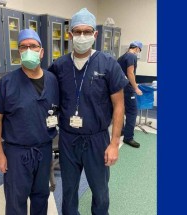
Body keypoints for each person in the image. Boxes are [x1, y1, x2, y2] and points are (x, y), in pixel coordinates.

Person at [47, 8, 129, 214]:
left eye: (87, 31)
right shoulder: (59, 66)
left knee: (100, 192)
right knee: (69, 191)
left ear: (95, 34)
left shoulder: (108, 64)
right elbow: (41, 86)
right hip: (68, 140)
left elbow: (119, 105)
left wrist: (114, 144)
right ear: (70, 35)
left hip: (98, 139)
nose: (81, 36)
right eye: (77, 31)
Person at [0, 29, 59, 215]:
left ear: (41, 52)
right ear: (19, 52)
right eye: (23, 46)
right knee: (15, 201)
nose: (29, 50)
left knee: (41, 196)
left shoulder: (52, 80)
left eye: (33, 46)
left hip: (44, 150)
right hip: (16, 153)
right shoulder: (7, 83)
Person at [117, 41, 143, 148]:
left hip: (119, 87)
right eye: (139, 50)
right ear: (137, 48)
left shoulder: (121, 57)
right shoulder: (132, 56)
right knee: (132, 111)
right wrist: (136, 88)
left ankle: (121, 131)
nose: (138, 52)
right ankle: (128, 138)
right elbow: (130, 72)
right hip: (128, 88)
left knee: (120, 109)